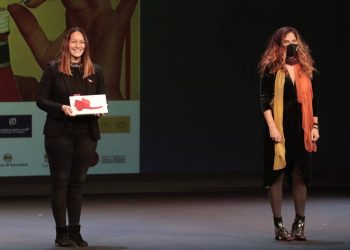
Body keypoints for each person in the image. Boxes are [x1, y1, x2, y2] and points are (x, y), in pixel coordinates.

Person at [36, 26, 105, 247]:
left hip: (86, 133)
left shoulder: (96, 71)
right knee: (60, 183)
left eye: (82, 42)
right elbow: (41, 100)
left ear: (86, 46)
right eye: (74, 42)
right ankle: (61, 233)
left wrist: (100, 109)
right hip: (60, 133)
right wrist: (61, 108)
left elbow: (102, 99)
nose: (78, 46)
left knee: (78, 184)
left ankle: (75, 231)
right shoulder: (54, 69)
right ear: (66, 44)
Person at [258, 27, 320, 241]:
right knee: (277, 175)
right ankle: (279, 226)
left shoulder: (304, 69)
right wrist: (272, 127)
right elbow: (264, 101)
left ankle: (299, 223)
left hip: (300, 129)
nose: (292, 45)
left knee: (300, 174)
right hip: (278, 129)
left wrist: (314, 127)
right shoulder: (271, 68)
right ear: (279, 45)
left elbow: (314, 101)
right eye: (286, 42)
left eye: (294, 41)